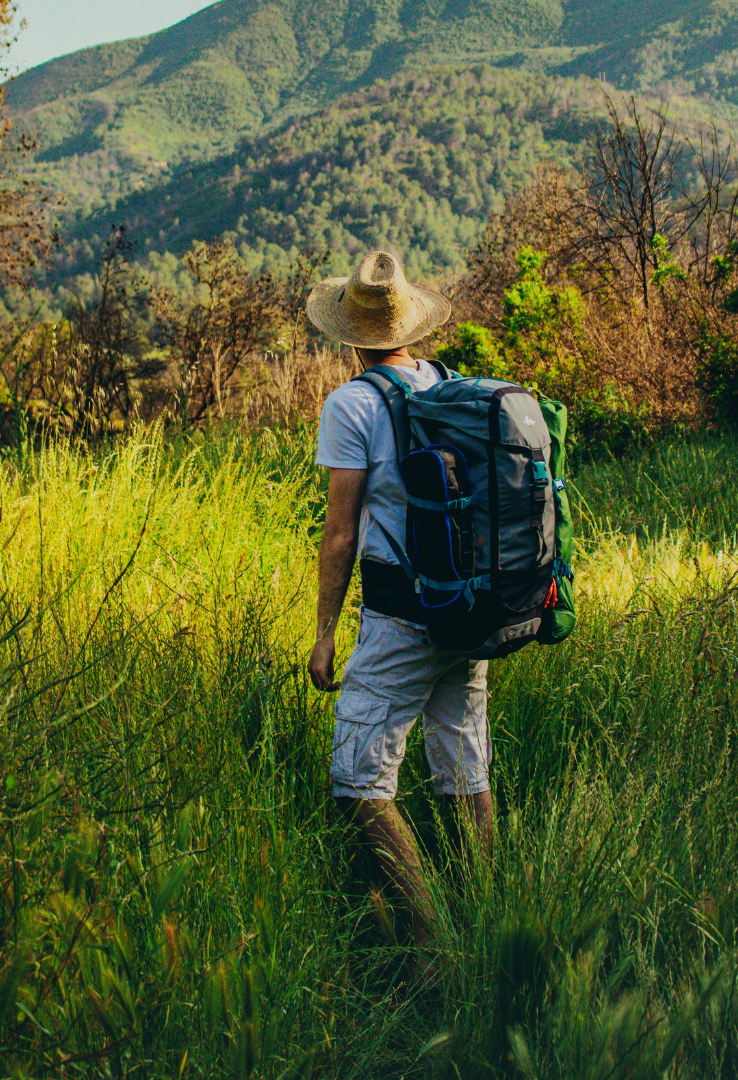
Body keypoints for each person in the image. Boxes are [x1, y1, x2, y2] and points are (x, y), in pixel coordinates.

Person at [305, 250, 494, 970]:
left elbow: (341, 531)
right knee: (463, 769)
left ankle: (433, 946)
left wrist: (325, 635)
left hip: (398, 616)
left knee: (358, 780)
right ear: (410, 325)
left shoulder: (351, 404)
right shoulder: (451, 386)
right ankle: (484, 921)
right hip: (468, 609)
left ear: (351, 333)